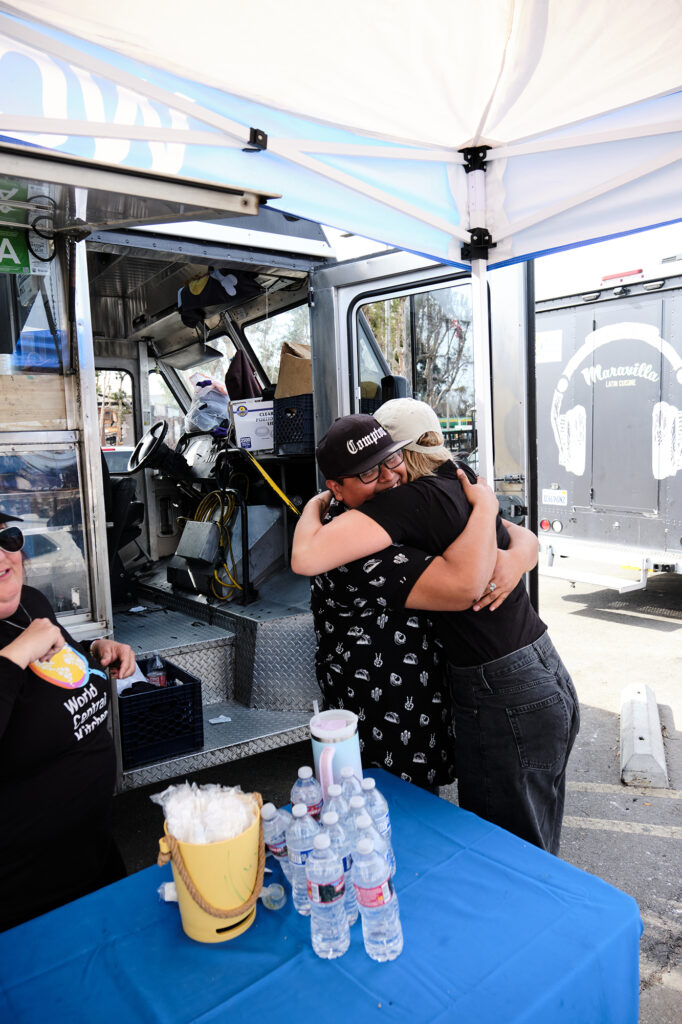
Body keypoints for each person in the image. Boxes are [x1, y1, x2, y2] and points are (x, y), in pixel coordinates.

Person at [293, 401, 579, 854]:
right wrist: (492, 518)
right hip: (525, 673)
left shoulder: (416, 498)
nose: (387, 477)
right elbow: (485, 568)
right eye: (368, 472)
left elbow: (511, 547)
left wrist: (512, 557)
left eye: (390, 459)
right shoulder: (450, 485)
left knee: (505, 856)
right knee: (525, 850)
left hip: (499, 687)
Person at [0, 511, 136, 930]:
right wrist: (18, 653)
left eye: (7, 537)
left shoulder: (31, 603)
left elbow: (59, 660)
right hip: (28, 895)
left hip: (95, 855)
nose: (2, 556)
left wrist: (95, 650)